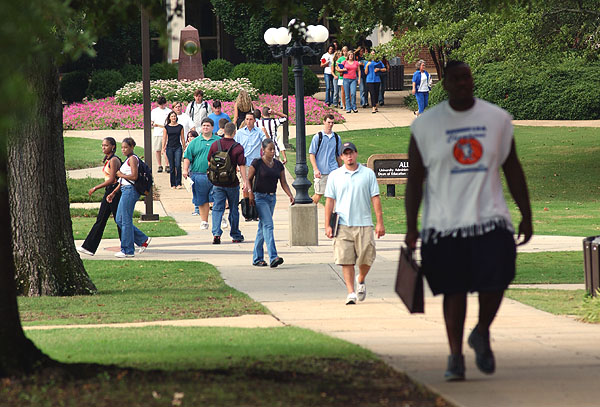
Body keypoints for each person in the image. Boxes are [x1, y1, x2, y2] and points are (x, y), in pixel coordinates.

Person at [404, 60, 533, 381]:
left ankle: (481, 330)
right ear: (443, 84)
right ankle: (455, 357)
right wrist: (410, 228)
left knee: (499, 279)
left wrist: (526, 214)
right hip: (443, 224)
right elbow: (414, 179)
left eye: (467, 78)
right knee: (454, 290)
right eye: (456, 79)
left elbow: (512, 168)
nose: (463, 83)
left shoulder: (497, 119)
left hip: (491, 219)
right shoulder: (426, 126)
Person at [324, 141, 385, 305]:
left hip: (364, 223)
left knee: (366, 259)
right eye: (346, 153)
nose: (349, 156)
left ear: (356, 154)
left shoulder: (368, 174)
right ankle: (350, 292)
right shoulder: (335, 176)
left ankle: (361, 278)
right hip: (342, 224)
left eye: (351, 153)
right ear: (342, 157)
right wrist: (327, 225)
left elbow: (375, 198)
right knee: (346, 259)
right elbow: (329, 201)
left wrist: (380, 222)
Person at [248, 139, 295, 268]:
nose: (273, 151)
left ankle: (257, 258)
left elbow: (283, 182)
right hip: (259, 198)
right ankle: (273, 256)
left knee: (262, 228)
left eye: (274, 149)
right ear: (263, 150)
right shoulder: (257, 163)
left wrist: (290, 195)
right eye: (270, 149)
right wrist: (250, 193)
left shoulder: (278, 165)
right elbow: (248, 179)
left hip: (271, 198)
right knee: (268, 225)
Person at [76, 137, 122, 256]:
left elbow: (112, 180)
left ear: (113, 146)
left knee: (115, 220)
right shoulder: (109, 159)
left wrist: (96, 188)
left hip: (113, 192)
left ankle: (89, 247)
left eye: (106, 145)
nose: (103, 147)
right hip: (110, 191)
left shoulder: (114, 160)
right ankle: (139, 241)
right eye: (102, 145)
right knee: (112, 220)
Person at [107, 138, 151, 258]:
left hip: (130, 191)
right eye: (122, 147)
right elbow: (122, 181)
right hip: (124, 190)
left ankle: (127, 250)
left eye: (126, 147)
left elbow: (134, 176)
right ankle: (142, 239)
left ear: (132, 147)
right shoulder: (127, 159)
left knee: (125, 220)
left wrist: (120, 174)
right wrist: (114, 193)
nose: (123, 150)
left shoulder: (132, 159)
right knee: (119, 219)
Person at [207, 122, 248, 244]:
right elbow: (241, 165)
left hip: (218, 183)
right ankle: (235, 235)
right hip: (232, 182)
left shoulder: (215, 145)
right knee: (234, 208)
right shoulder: (238, 147)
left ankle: (216, 233)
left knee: (217, 208)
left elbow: (209, 161)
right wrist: (245, 182)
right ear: (234, 132)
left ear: (224, 131)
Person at [183, 118, 220, 230]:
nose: (205, 127)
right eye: (203, 125)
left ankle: (220, 218)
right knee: (201, 199)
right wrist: (185, 170)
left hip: (216, 175)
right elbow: (187, 157)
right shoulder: (195, 142)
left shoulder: (218, 141)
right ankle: (204, 221)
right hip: (198, 174)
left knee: (217, 198)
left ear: (212, 127)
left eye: (208, 125)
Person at [308, 114, 342, 204]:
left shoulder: (337, 138)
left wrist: (341, 169)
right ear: (324, 122)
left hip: (333, 170)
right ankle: (308, 211)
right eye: (328, 122)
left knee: (334, 196)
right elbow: (312, 154)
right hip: (321, 171)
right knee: (318, 194)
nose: (330, 125)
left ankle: (333, 216)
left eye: (332, 123)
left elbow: (338, 155)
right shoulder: (318, 137)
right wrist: (316, 169)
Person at [234, 111, 266, 207]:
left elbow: (266, 142)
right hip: (244, 164)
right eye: (247, 119)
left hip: (256, 164)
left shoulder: (259, 132)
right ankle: (247, 209)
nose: (248, 121)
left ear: (255, 120)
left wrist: (265, 132)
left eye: (251, 119)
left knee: (256, 187)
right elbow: (235, 148)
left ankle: (255, 209)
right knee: (246, 187)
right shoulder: (239, 133)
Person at [161, 111, 185, 189]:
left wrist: (184, 147)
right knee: (172, 166)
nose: (173, 118)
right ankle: (173, 184)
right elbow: (164, 138)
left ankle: (179, 183)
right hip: (169, 147)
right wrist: (163, 148)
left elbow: (182, 138)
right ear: (169, 118)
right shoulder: (166, 127)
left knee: (178, 165)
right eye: (172, 116)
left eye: (174, 116)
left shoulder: (180, 127)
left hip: (178, 147)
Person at [150, 95, 171, 173]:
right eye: (160, 104)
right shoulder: (154, 111)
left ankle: (167, 164)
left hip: (166, 132)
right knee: (157, 149)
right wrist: (153, 124)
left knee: (166, 149)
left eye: (163, 104)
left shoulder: (169, 111)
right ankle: (159, 165)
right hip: (157, 133)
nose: (162, 106)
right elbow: (151, 121)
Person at [338, 50, 361, 114]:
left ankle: (354, 107)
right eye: (349, 54)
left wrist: (359, 79)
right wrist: (342, 69)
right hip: (346, 79)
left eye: (352, 55)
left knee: (353, 93)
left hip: (353, 79)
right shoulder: (344, 62)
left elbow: (359, 70)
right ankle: (348, 108)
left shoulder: (356, 62)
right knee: (347, 94)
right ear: (348, 56)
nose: (351, 56)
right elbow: (338, 68)